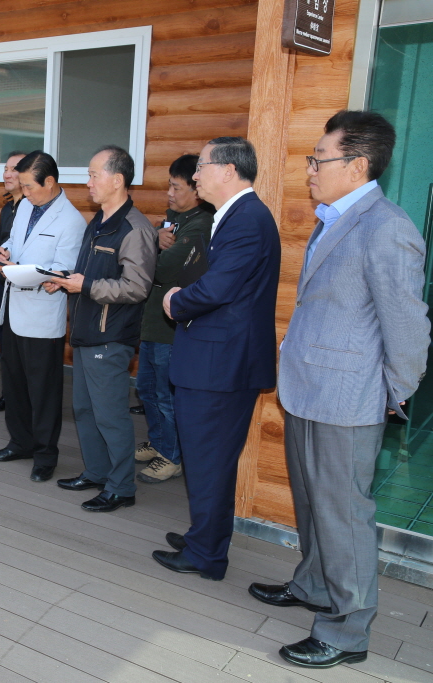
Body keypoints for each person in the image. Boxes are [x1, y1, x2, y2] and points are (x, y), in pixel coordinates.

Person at [260, 111, 429, 669]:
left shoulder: (388, 227)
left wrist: (389, 392)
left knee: (344, 515)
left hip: (349, 399)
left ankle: (347, 630)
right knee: (312, 504)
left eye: (318, 159)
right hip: (309, 388)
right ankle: (314, 584)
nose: (309, 170)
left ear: (355, 166)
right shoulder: (333, 217)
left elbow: (408, 326)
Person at [152, 137, 280, 581]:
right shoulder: (235, 216)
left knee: (210, 461)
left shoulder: (246, 219)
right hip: (215, 361)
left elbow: (218, 289)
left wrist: (175, 300)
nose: (195, 176)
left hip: (221, 367)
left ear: (228, 170)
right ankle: (203, 537)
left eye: (202, 167)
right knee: (208, 459)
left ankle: (206, 555)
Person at [49, 146, 156, 511]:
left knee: (110, 416)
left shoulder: (134, 229)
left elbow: (137, 287)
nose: (88, 182)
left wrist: (86, 287)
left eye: (94, 174)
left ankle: (122, 487)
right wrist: (62, 280)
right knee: (84, 409)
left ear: (117, 180)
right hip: (86, 329)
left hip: (110, 337)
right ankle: (97, 472)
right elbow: (90, 273)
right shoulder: (98, 222)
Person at [0, 151, 85, 482]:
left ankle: (46, 454)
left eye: (29, 186)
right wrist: (4, 252)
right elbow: (16, 242)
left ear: (50, 182)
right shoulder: (25, 206)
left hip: (42, 315)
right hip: (12, 308)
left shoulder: (71, 221)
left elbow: (61, 272)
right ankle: (20, 442)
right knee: (14, 382)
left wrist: (19, 270)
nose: (24, 192)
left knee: (43, 390)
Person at [134, 155, 214, 484]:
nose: (168, 192)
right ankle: (160, 442)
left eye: (176, 187)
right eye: (169, 184)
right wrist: (155, 237)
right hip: (152, 319)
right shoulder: (173, 221)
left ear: (196, 190)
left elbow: (166, 270)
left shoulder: (201, 225)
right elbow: (151, 256)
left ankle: (173, 457)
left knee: (166, 396)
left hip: (172, 326)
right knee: (147, 389)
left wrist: (152, 247)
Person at [0, 151, 26, 413]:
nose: (7, 174)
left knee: (22, 347)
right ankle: (8, 394)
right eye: (6, 168)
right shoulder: (6, 207)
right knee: (6, 344)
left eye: (14, 169)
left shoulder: (33, 209)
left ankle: (23, 399)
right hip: (3, 287)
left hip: (24, 288)